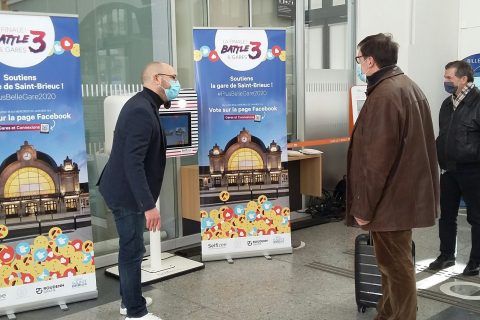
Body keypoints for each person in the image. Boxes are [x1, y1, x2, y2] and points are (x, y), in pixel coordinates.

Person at [346, 33, 439, 320]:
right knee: (391, 265)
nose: (359, 63)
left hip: (390, 201)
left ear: (371, 61)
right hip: (402, 197)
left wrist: (363, 208)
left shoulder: (385, 95)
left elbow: (376, 162)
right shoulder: (407, 86)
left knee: (396, 269)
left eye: (360, 58)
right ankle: (386, 315)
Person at [98, 61, 180, 320]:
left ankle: (129, 301)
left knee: (130, 248)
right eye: (173, 77)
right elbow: (132, 162)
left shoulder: (146, 105)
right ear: (158, 78)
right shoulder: (141, 110)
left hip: (126, 189)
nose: (176, 83)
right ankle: (135, 312)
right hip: (126, 194)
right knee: (133, 249)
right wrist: (148, 205)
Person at [428, 60, 480, 276]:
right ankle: (446, 255)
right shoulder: (447, 104)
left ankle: (475, 261)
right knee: (446, 215)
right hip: (448, 170)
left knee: (476, 217)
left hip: (473, 170)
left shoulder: (478, 102)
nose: (445, 81)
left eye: (449, 77)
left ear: (463, 79)